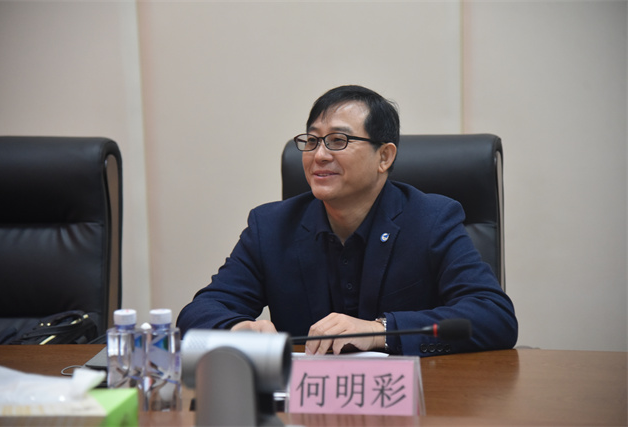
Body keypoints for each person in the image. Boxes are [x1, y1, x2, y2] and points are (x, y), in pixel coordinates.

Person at [177, 85, 518, 356]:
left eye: (338, 141)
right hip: (306, 403)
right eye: (312, 141)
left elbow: (494, 316)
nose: (319, 155)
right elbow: (200, 311)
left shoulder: (430, 220)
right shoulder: (271, 227)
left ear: (384, 156)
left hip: (413, 401)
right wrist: (238, 329)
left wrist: (380, 330)